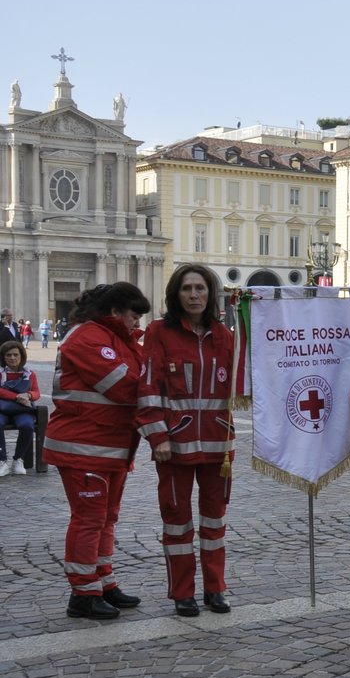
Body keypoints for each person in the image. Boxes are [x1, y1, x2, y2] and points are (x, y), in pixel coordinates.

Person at [44, 282, 151, 619]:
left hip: (108, 447)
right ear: (115, 312)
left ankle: (102, 581)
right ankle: (82, 593)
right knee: (90, 519)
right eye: (134, 316)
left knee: (107, 518)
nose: (137, 324)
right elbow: (125, 386)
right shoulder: (87, 337)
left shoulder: (118, 339)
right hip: (84, 445)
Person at [137, 265, 237, 617]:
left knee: (215, 522)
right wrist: (157, 436)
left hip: (217, 446)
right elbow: (148, 388)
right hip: (174, 446)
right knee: (177, 522)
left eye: (200, 289)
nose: (194, 295)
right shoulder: (158, 333)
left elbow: (245, 384)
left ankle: (215, 588)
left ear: (211, 294)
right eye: (187, 289)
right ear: (175, 295)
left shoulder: (225, 335)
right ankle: (183, 592)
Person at [0, 341, 40, 475]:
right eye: (8, 355)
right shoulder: (1, 373)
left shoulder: (30, 374)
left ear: (21, 356)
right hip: (2, 409)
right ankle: (2, 461)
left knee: (27, 426)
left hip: (22, 410)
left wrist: (28, 395)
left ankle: (18, 459)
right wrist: (17, 397)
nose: (12, 358)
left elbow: (36, 392)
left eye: (15, 355)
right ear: (3, 357)